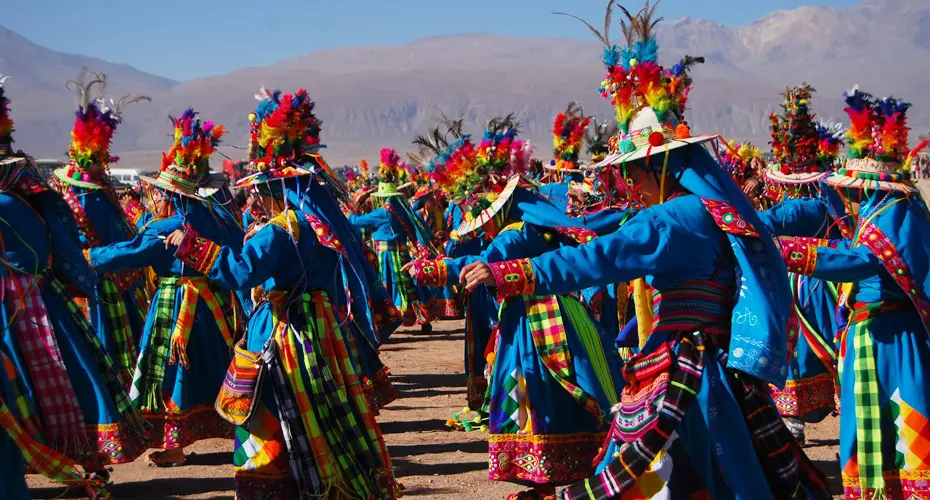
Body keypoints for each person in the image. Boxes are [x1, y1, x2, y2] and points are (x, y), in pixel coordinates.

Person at [463, 4, 828, 498]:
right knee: (728, 466)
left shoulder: (672, 219)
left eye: (634, 171)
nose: (630, 183)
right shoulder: (710, 210)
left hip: (687, 366)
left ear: (659, 167)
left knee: (664, 470)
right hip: (715, 365)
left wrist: (510, 274)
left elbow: (598, 259)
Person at [166, 87, 400, 498]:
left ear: (270, 189)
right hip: (318, 333)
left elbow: (240, 271)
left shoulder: (281, 229)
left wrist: (189, 245)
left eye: (256, 190)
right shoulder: (313, 224)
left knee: (269, 416)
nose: (252, 197)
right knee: (323, 413)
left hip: (284, 335)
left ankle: (281, 486)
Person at [407, 117, 623, 500]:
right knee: (557, 387)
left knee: (530, 389)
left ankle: (543, 471)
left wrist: (434, 268)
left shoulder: (514, 234)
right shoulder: (532, 223)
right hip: (561, 316)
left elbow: (482, 262)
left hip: (534, 325)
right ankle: (566, 464)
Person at [775, 87, 930, 498]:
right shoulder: (887, 211)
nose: (850, 197)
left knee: (903, 416)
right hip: (875, 335)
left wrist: (788, 253)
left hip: (891, 338)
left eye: (856, 189)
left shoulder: (898, 215)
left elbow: (860, 262)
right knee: (871, 420)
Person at [0, 75, 147, 476]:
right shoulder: (39, 196)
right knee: (73, 374)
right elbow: (68, 250)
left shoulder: (21, 200)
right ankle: (85, 455)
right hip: (50, 301)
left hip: (24, 309)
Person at [87, 108, 245, 467]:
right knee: (221, 365)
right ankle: (242, 435)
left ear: (171, 194)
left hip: (176, 307)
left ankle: (174, 447)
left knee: (172, 371)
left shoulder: (168, 226)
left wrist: (87, 256)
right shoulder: (220, 219)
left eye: (158, 192)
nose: (154, 198)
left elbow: (130, 253)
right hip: (216, 303)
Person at [51, 69, 151, 384]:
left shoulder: (79, 198)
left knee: (97, 353)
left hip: (89, 287)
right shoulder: (104, 197)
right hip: (118, 287)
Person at [755, 85, 842, 445]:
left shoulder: (805, 208)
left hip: (804, 287)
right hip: (820, 282)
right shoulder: (825, 205)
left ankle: (793, 416)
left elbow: (774, 218)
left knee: (797, 347)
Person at [349, 148, 437, 333]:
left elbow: (355, 222)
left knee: (389, 287)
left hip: (386, 257)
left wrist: (348, 210)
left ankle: (391, 318)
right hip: (403, 253)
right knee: (409, 286)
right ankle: (423, 319)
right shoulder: (403, 210)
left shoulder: (381, 214)